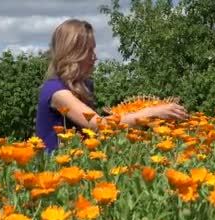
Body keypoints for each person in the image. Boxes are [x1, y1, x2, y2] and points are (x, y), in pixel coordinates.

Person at [35, 19, 188, 152]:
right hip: (55, 167)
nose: (94, 57)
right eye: (89, 51)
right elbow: (98, 125)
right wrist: (151, 112)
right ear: (73, 53)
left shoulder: (83, 86)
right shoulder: (57, 91)